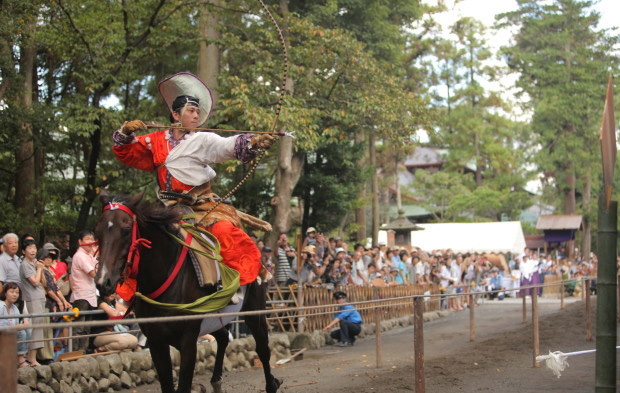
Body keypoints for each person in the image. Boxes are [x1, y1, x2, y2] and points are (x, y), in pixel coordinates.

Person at [112, 72, 275, 287]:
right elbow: (128, 152)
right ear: (176, 115)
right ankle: (129, 290)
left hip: (199, 206)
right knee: (140, 238)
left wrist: (253, 143)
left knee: (223, 231)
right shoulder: (156, 140)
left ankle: (238, 285)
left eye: (198, 111)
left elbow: (225, 146)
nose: (197, 115)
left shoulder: (202, 139)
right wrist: (124, 132)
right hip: (166, 208)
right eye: (191, 111)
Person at [18, 239, 46, 366]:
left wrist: (41, 268)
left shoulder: (35, 263)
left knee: (39, 327)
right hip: (32, 298)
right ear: (23, 251)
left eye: (34, 247)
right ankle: (31, 358)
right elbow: (35, 281)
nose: (33, 250)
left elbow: (43, 283)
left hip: (40, 296)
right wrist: (39, 269)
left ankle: (32, 357)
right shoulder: (25, 264)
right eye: (29, 248)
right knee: (35, 327)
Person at [70, 229, 98, 350]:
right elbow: (93, 273)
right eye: (87, 239)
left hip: (90, 294)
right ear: (80, 241)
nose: (90, 242)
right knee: (79, 327)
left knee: (87, 327)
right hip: (81, 295)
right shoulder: (80, 255)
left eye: (92, 239)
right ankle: (76, 353)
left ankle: (83, 351)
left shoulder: (89, 255)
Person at [0, 282, 32, 367]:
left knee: (27, 330)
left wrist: (22, 325)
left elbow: (16, 325)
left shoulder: (15, 309)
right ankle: (20, 360)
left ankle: (21, 357)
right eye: (12, 292)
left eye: (17, 293)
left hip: (9, 334)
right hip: (2, 333)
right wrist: (16, 327)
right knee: (22, 332)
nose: (15, 295)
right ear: (5, 293)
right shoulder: (1, 306)